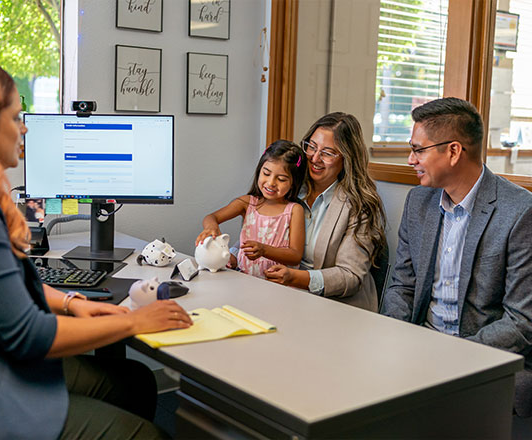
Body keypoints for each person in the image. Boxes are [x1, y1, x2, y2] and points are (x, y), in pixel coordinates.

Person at [0, 59, 192, 439]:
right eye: (15, 117)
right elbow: (29, 336)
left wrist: (72, 302)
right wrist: (133, 322)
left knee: (135, 381)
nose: (23, 128)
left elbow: (7, 288)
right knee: (149, 434)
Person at [379, 97, 532, 418]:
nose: (410, 160)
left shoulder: (519, 212)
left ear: (453, 151)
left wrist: (451, 356)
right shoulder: (419, 202)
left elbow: (521, 322)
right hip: (420, 352)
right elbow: (402, 287)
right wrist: (399, 341)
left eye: (418, 150)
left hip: (485, 362)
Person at [264, 113, 386, 312]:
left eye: (328, 153)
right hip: (282, 296)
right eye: (311, 146)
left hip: (335, 306)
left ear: (347, 158)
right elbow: (258, 226)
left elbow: (350, 276)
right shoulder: (288, 185)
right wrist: (233, 253)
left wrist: (295, 278)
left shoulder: (359, 205)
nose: (314, 158)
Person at [196, 140, 306, 278]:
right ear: (259, 171)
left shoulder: (294, 210)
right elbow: (211, 217)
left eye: (281, 179)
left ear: (294, 183)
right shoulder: (247, 203)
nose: (271, 183)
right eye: (266, 173)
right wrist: (211, 227)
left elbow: (295, 256)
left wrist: (264, 250)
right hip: (244, 280)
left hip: (277, 285)